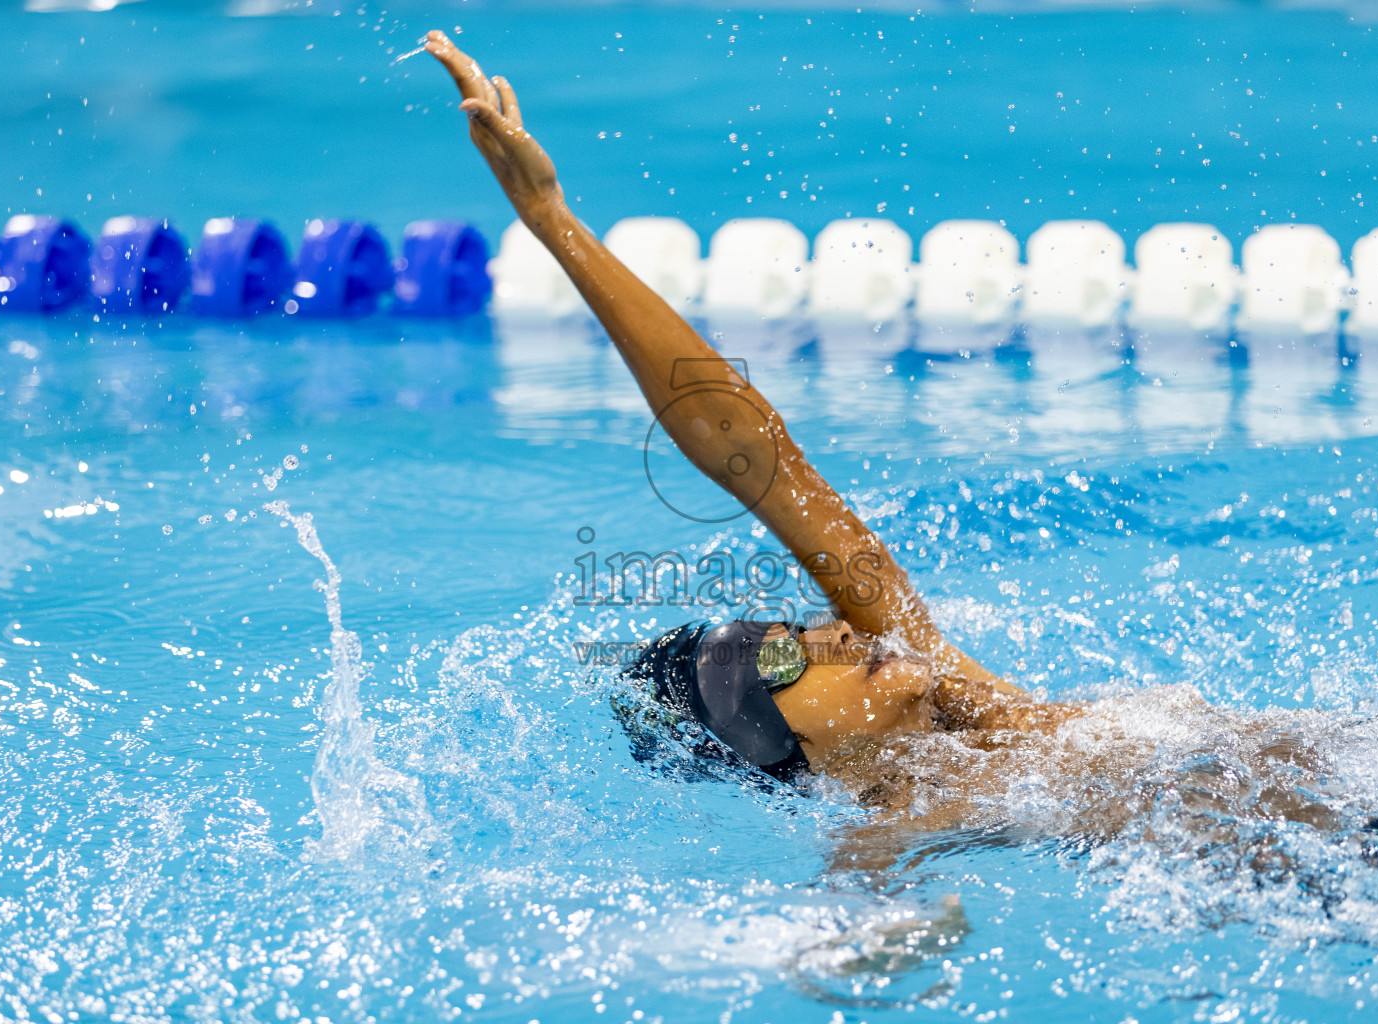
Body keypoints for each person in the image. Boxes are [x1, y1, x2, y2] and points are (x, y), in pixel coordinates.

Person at [425, 31, 1077, 785]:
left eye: (791, 629)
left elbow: (759, 456)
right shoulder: (883, 858)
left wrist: (550, 219)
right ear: (772, 737)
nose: (829, 632)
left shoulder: (957, 696)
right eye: (778, 656)